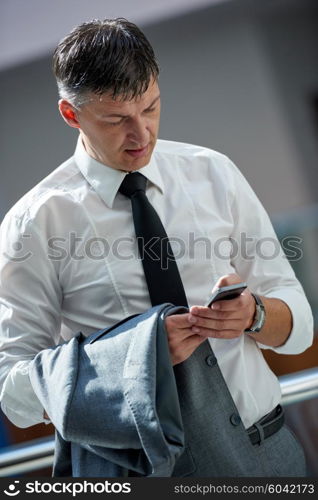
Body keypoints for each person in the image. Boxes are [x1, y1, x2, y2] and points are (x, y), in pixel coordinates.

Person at [0, 18, 313, 476]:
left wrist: (254, 314)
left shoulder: (214, 173)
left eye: (150, 107)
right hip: (143, 476)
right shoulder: (35, 224)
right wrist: (135, 362)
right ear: (72, 115)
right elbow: (12, 392)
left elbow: (300, 326)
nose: (141, 134)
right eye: (116, 119)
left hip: (268, 455)